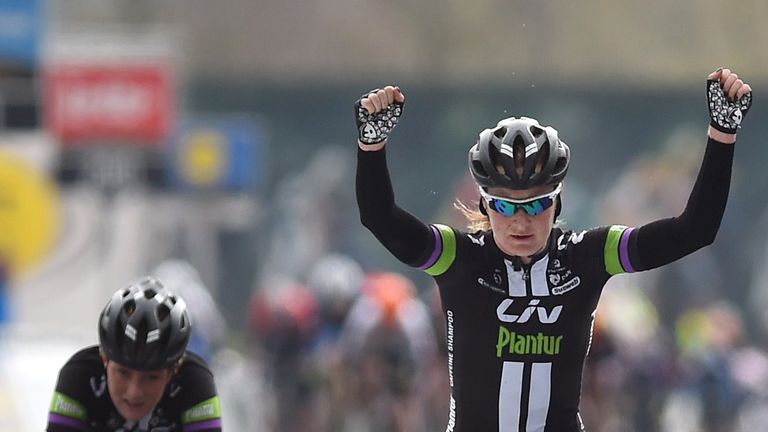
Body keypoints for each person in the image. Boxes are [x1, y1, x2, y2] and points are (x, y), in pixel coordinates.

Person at [354, 67, 752, 432]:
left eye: (537, 203)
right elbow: (380, 218)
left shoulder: (590, 255)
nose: (521, 220)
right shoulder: (459, 258)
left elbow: (694, 231)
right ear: (483, 206)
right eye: (505, 205)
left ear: (558, 204)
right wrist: (371, 148)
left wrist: (723, 134)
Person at [47, 277, 222, 431]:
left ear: (174, 370)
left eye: (152, 377)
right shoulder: (79, 375)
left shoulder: (195, 382)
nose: (134, 392)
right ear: (104, 359)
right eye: (123, 373)